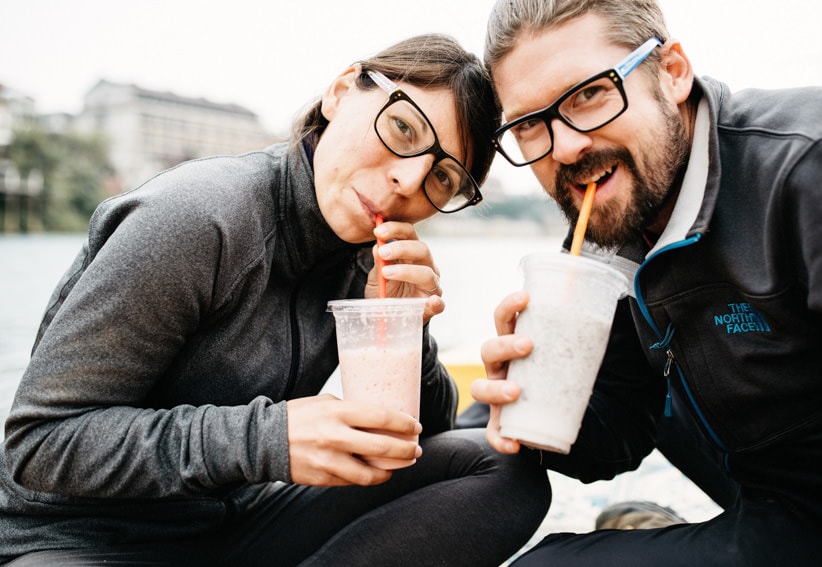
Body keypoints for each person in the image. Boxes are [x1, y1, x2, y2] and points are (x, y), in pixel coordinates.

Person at [0, 34, 551, 566]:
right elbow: (40, 442)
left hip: (238, 522)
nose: (409, 179)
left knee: (502, 472)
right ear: (340, 93)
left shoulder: (365, 257)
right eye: (404, 129)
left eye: (444, 178)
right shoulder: (198, 218)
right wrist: (267, 439)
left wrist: (407, 327)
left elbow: (419, 443)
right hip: (80, 539)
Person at [471, 0, 822, 564]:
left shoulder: (816, 167)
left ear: (672, 72)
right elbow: (622, 427)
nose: (568, 145)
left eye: (590, 93)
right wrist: (536, 407)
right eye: (529, 125)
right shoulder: (608, 234)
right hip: (764, 508)